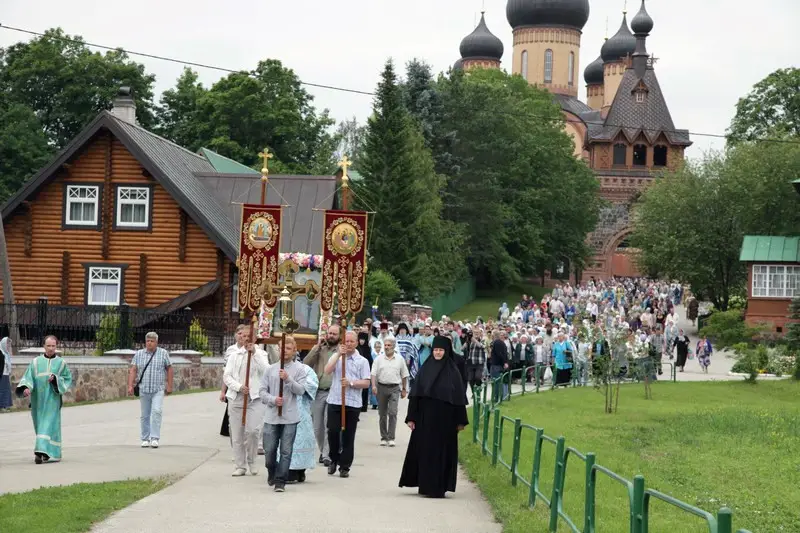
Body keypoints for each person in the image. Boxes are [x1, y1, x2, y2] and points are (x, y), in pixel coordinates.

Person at [399, 335, 468, 498]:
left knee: (442, 453)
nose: (437, 353)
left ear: (446, 351)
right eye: (435, 350)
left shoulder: (453, 372)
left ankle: (439, 487)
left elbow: (458, 397)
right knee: (425, 452)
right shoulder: (425, 369)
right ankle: (425, 485)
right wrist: (411, 417)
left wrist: (460, 421)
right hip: (425, 420)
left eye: (441, 350)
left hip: (446, 422)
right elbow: (416, 395)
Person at [260, 335, 310, 492]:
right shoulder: (270, 369)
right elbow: (261, 392)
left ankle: (280, 481)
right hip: (272, 416)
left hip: (290, 417)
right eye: (282, 348)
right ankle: (271, 471)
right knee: (269, 451)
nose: (284, 351)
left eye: (288, 348)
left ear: (294, 350)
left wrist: (288, 379)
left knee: (286, 451)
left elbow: (301, 390)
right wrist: (273, 399)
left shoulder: (300, 369)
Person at [15, 335, 73, 463]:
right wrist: (26, 388)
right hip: (38, 400)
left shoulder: (61, 363)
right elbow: (28, 377)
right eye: (49, 346)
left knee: (47, 424)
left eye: (53, 346)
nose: (51, 348)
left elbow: (68, 379)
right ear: (44, 346)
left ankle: (39, 452)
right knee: (40, 425)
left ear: (56, 346)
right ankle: (47, 452)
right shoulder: (35, 362)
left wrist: (56, 380)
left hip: (53, 399)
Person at [223, 325, 270, 476]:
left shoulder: (261, 354)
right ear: (240, 337)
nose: (246, 339)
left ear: (255, 338)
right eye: (243, 336)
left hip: (255, 398)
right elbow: (227, 376)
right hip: (237, 397)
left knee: (252, 431)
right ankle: (240, 465)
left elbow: (267, 371)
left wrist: (254, 353)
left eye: (249, 336)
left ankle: (252, 460)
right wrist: (238, 386)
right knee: (237, 434)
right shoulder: (234, 355)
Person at [324, 330, 371, 478]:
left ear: (356, 343)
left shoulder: (362, 361)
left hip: (352, 403)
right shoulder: (336, 357)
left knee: (348, 435)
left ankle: (345, 466)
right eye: (346, 341)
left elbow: (366, 383)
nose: (349, 344)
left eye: (352, 341)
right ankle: (333, 458)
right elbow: (327, 371)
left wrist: (351, 383)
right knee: (333, 431)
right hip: (335, 400)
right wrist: (338, 354)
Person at [128, 332, 173, 449]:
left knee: (157, 411)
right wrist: (130, 386)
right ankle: (145, 438)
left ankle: (154, 438)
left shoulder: (163, 353)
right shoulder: (139, 354)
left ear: (156, 342)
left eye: (152, 341)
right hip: (144, 389)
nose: (150, 343)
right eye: (148, 341)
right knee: (145, 415)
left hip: (158, 389)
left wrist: (169, 385)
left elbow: (169, 369)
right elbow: (133, 369)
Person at [303, 325, 339, 466]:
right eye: (329, 333)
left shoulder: (341, 351)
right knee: (317, 426)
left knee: (327, 424)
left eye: (334, 334)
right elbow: (305, 363)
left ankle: (326, 455)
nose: (331, 336)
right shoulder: (320, 350)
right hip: (318, 391)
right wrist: (316, 347)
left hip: (333, 392)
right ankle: (322, 450)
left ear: (339, 336)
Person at [371, 337, 409, 447]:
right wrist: (373, 386)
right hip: (381, 387)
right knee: (382, 414)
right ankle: (384, 437)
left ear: (393, 347)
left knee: (392, 412)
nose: (387, 347)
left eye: (389, 345)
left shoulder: (399, 359)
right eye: (385, 345)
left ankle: (391, 437)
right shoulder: (378, 359)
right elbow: (373, 373)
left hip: (394, 388)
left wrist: (404, 389)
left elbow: (404, 375)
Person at [286, 358, 318, 484]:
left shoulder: (306, 369)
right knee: (286, 441)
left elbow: (311, 385)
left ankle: (300, 470)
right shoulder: (277, 368)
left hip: (301, 409)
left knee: (301, 439)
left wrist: (293, 381)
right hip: (284, 409)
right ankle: (288, 471)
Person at [0, 337, 13, 411]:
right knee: (1, 390)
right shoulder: (0, 353)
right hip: (2, 374)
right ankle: (1, 406)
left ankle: (6, 405)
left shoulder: (6, 353)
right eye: (7, 344)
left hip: (6, 374)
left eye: (8, 344)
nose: (8, 345)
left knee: (7, 390)